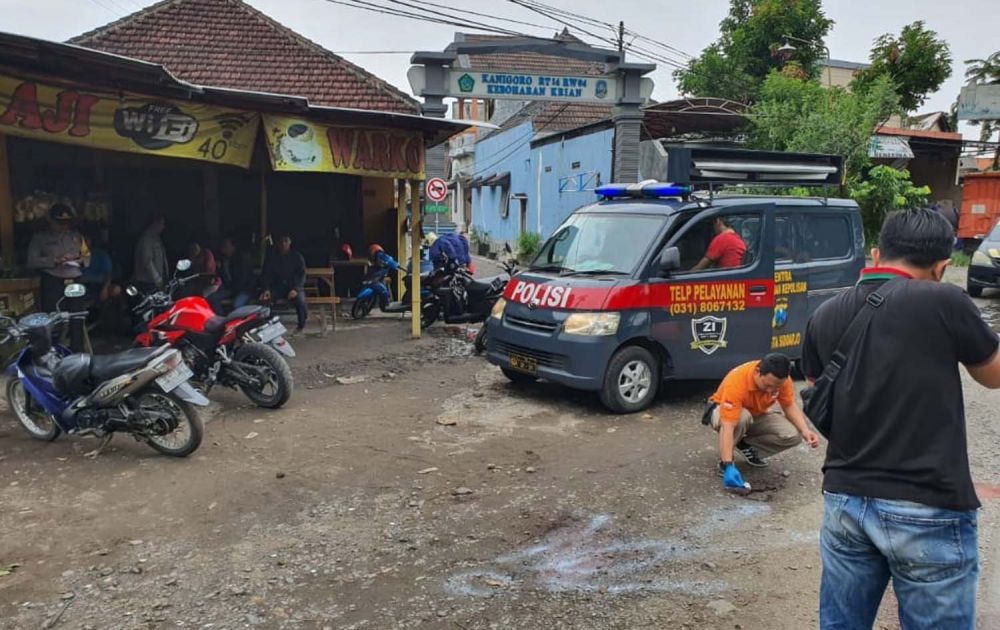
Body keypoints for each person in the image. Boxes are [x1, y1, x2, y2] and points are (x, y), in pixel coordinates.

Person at [802, 208, 1000, 630]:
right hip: (928, 503)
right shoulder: (944, 300)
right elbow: (993, 375)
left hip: (845, 501)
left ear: (876, 254)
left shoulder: (825, 312)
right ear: (942, 266)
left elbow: (818, 389)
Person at [704, 353, 819, 491]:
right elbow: (728, 427)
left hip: (757, 414)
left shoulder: (782, 380)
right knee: (742, 417)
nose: (770, 391)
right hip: (722, 413)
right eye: (768, 385)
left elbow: (788, 405)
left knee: (792, 435)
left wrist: (805, 430)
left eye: (776, 388)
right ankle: (725, 462)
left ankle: (746, 446)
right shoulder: (736, 382)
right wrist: (727, 464)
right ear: (758, 372)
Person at [26, 203, 90, 350]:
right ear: (51, 221)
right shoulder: (40, 238)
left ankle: (77, 351)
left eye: (66, 223)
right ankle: (54, 350)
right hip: (53, 279)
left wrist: (79, 260)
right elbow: (31, 261)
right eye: (60, 223)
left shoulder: (77, 236)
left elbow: (86, 256)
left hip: (74, 279)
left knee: (77, 316)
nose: (63, 226)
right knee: (54, 318)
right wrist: (54, 260)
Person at [260, 234, 307, 333]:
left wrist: (295, 289)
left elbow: (301, 275)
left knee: (301, 301)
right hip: (278, 286)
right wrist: (266, 289)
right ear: (278, 243)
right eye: (281, 241)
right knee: (265, 299)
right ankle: (268, 325)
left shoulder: (297, 256)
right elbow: (266, 274)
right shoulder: (271, 257)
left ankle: (301, 326)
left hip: (293, 286)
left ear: (290, 242)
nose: (283, 244)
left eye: (286, 241)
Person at [210, 237, 255, 313]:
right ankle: (221, 320)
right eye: (223, 246)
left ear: (233, 247)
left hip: (244, 289)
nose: (224, 248)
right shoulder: (223, 260)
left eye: (226, 246)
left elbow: (242, 280)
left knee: (237, 305)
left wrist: (231, 289)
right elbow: (223, 277)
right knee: (212, 298)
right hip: (230, 289)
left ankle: (240, 324)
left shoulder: (241, 259)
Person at [133, 215, 168, 293]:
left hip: (157, 281)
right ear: (155, 223)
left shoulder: (157, 239)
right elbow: (147, 262)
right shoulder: (145, 240)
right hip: (147, 283)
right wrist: (157, 279)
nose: (163, 227)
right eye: (162, 224)